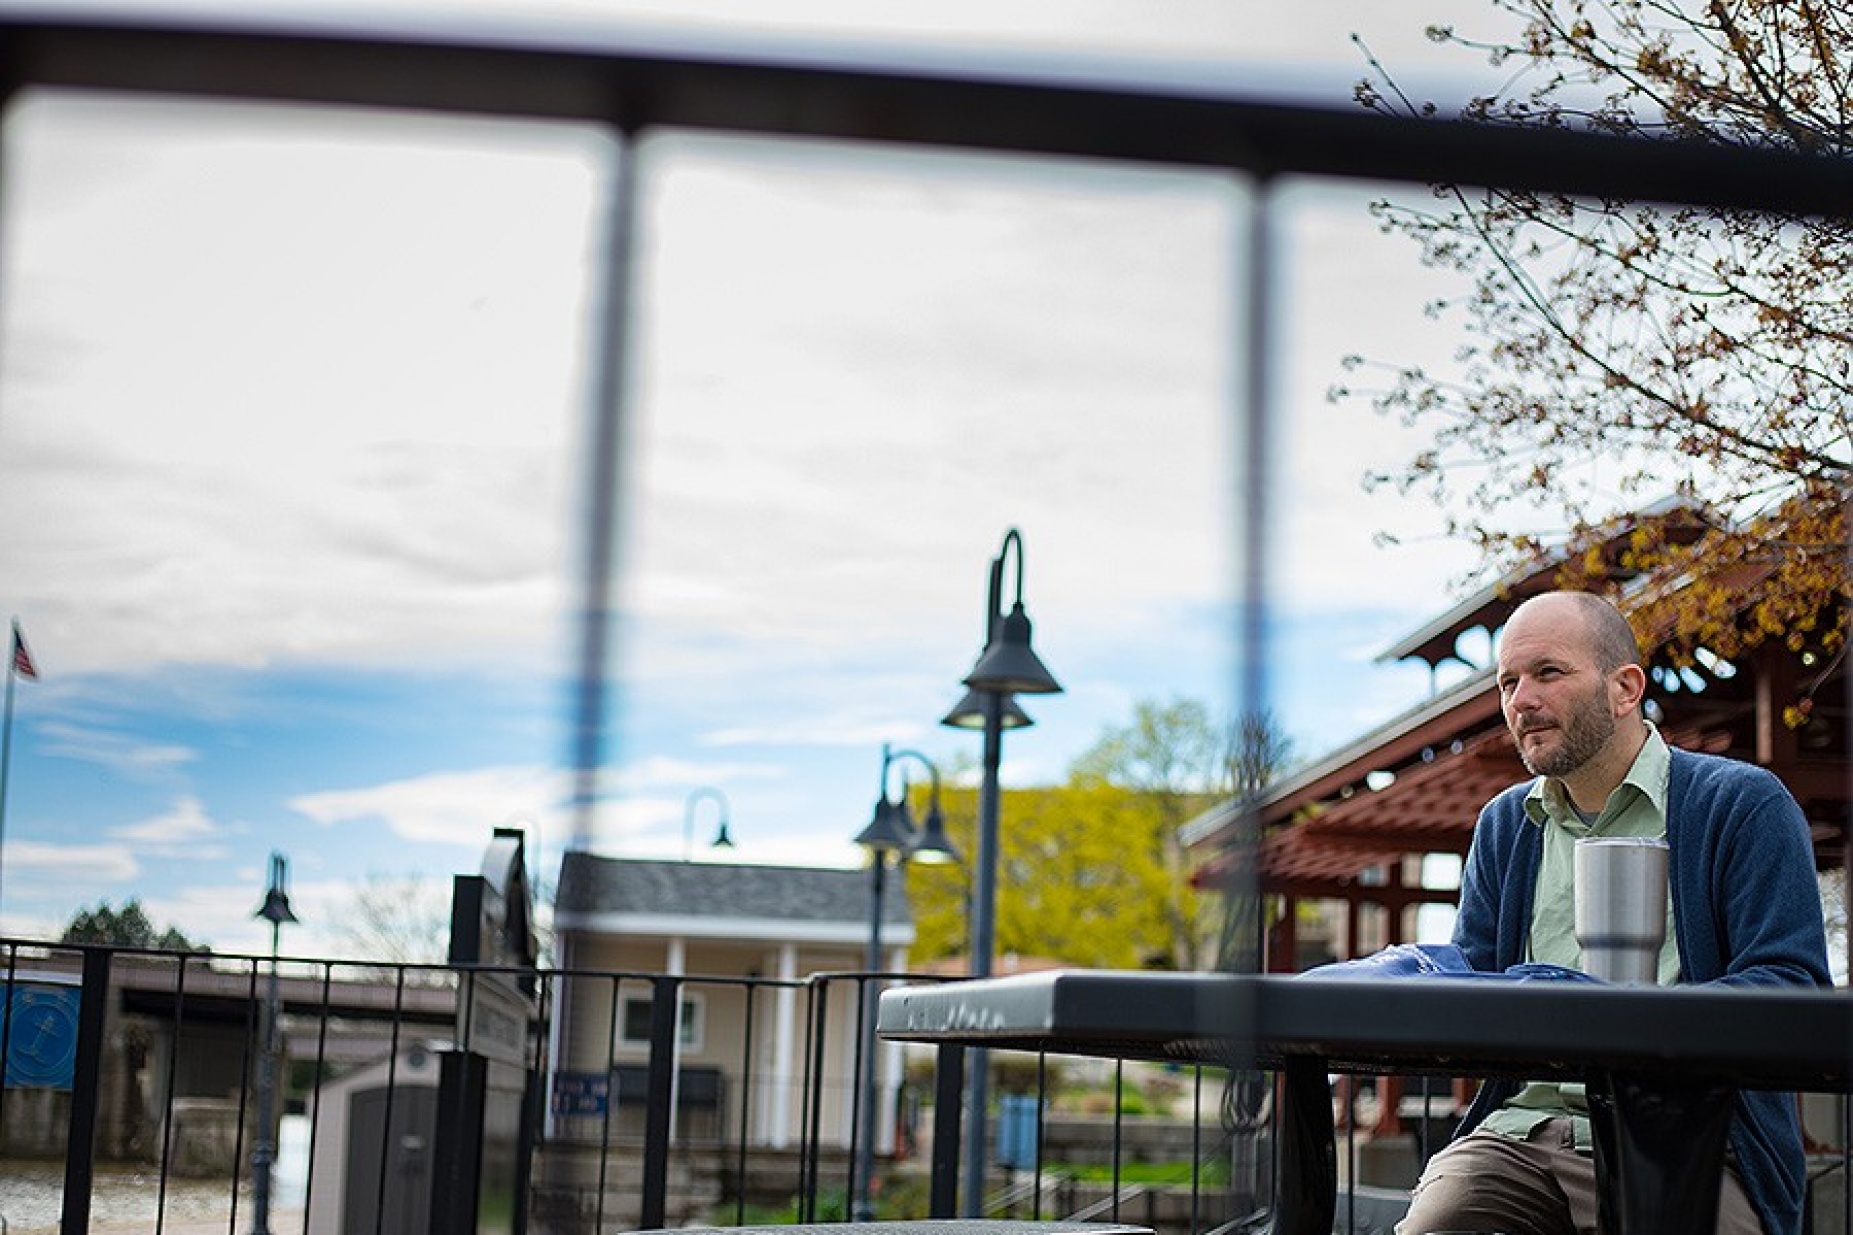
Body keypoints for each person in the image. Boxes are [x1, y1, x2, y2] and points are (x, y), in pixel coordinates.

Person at [1397, 590, 1831, 1235]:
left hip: (1694, 1136)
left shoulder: (1742, 804)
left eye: (1547, 673)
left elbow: (1792, 987)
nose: (1521, 700)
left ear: (1624, 688)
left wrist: (1642, 1031)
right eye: (1507, 682)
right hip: (1521, 1133)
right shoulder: (1504, 827)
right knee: (1435, 1224)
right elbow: (1474, 988)